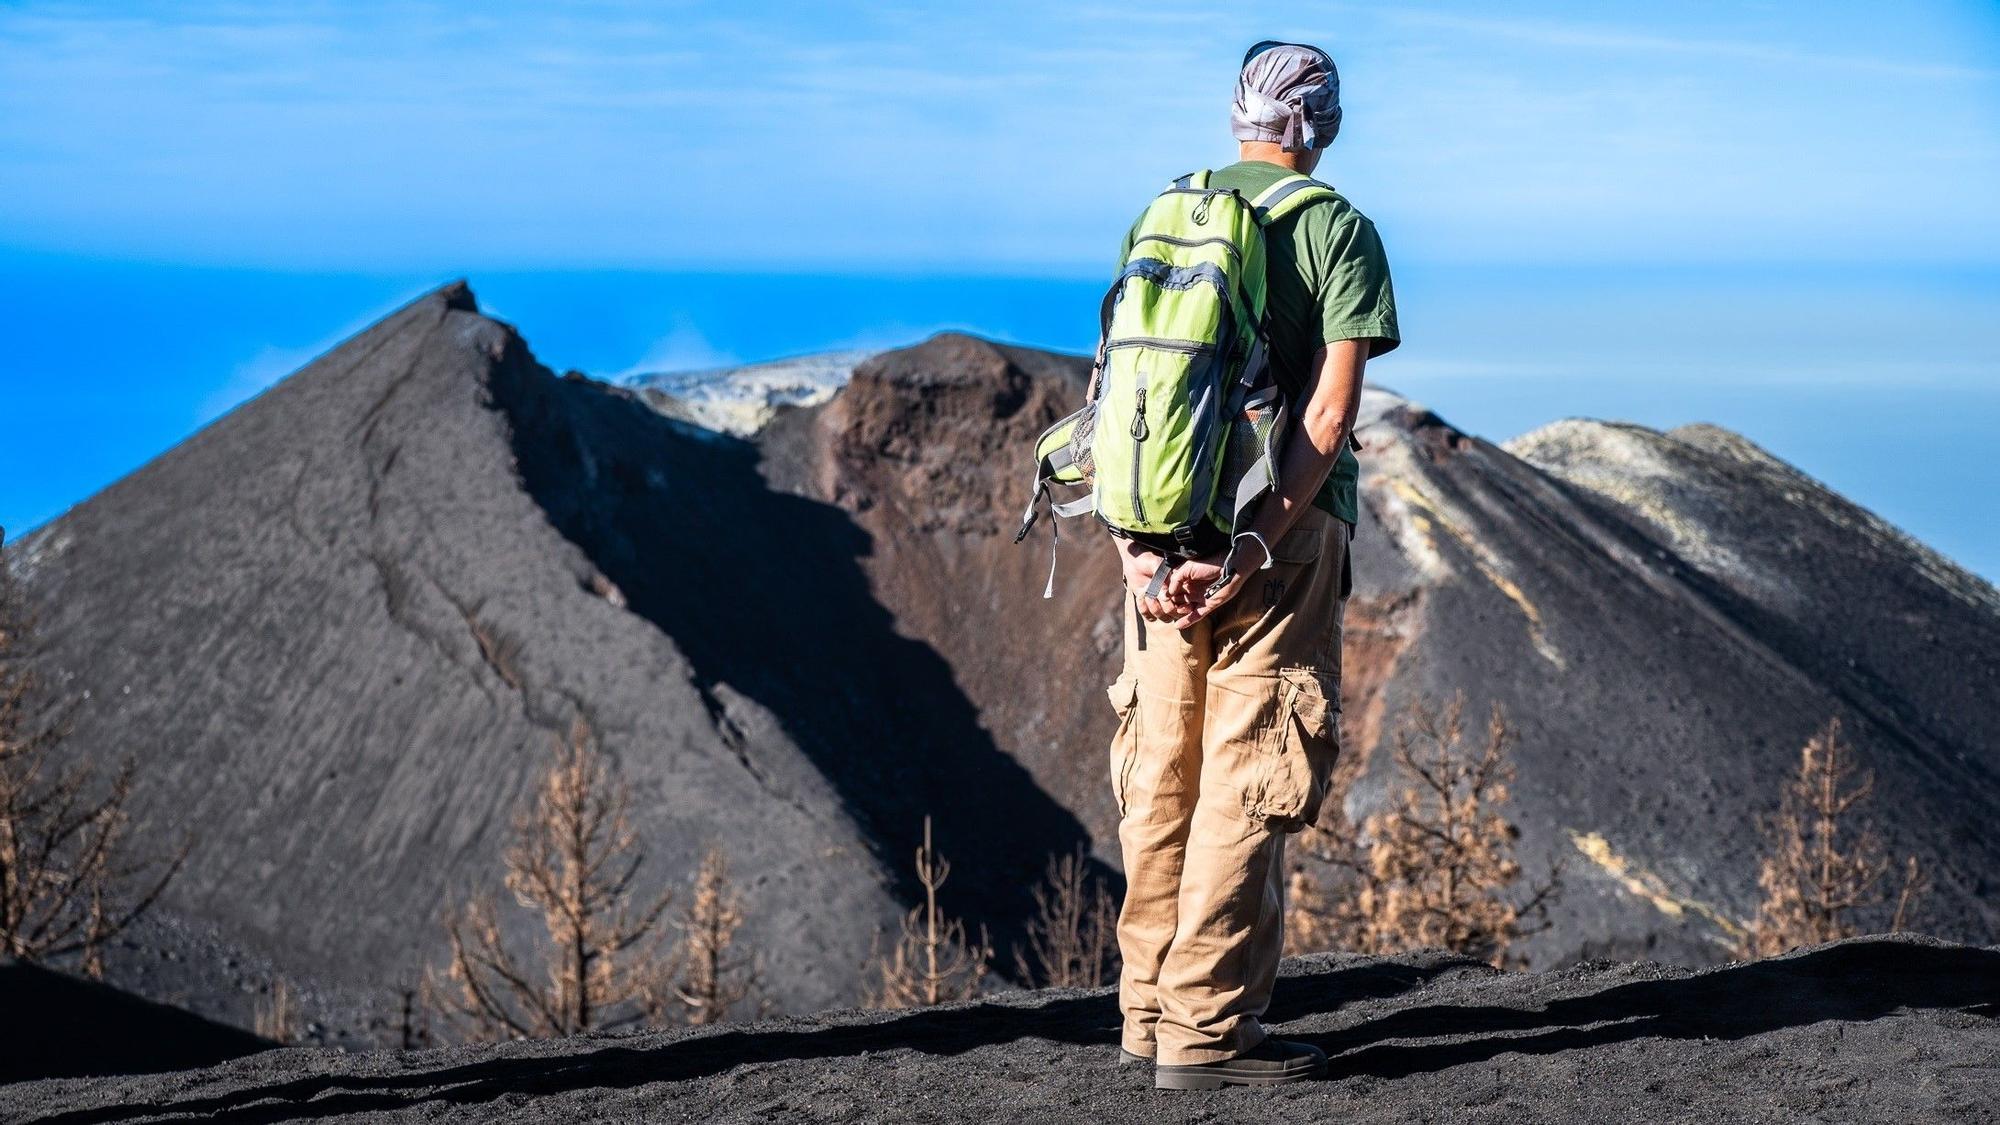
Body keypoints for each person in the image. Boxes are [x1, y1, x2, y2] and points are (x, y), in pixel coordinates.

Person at [1106, 40, 1399, 1091]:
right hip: (1273, 539)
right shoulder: (1333, 228)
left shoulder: (1165, 215)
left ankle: (1144, 1015)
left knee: (1161, 774)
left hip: (1159, 531)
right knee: (1246, 776)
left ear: (1237, 117)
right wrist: (1255, 541)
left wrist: (1147, 557)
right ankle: (1206, 1038)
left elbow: (1122, 405)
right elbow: (1327, 411)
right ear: (1316, 122)